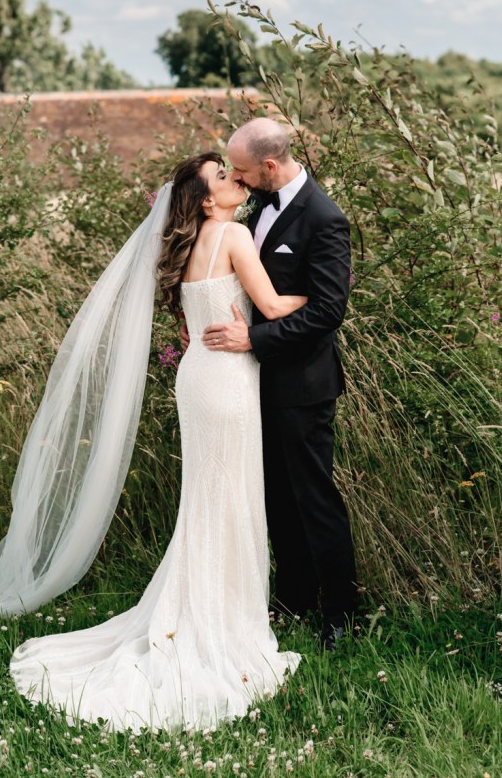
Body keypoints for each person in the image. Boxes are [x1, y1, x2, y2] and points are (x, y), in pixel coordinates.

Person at [0, 152, 306, 732]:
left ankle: (203, 610)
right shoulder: (233, 236)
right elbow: (272, 308)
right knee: (226, 502)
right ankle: (217, 622)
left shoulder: (198, 241)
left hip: (200, 375)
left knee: (207, 502)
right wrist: (328, 298)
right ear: (206, 200)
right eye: (222, 176)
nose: (234, 179)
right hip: (226, 382)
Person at [199, 118, 358, 650]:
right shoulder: (259, 208)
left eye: (242, 170)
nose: (236, 181)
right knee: (275, 499)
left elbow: (329, 311)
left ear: (270, 165)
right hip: (249, 385)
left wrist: (255, 341)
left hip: (303, 384)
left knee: (313, 497)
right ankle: (293, 598)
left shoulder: (324, 218)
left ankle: (340, 614)